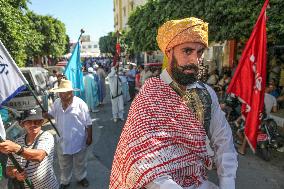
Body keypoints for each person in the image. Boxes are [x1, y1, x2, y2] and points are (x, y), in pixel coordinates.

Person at [109, 17, 237, 189]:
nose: (195, 59)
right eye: (187, 51)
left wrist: (227, 183)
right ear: (169, 52)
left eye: (199, 52)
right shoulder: (149, 95)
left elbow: (224, 141)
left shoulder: (207, 94)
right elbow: (142, 162)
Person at [46, 79, 92, 189]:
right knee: (64, 164)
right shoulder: (57, 103)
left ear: (71, 93)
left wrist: (90, 136)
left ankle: (81, 177)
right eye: (60, 92)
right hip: (62, 140)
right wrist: (46, 115)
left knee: (80, 161)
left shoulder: (80, 104)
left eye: (63, 92)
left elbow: (89, 123)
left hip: (78, 139)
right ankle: (65, 181)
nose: (60, 95)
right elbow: (51, 115)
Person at [0, 107, 59, 189]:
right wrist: (16, 173)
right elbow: (8, 169)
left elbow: (39, 156)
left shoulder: (47, 136)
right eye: (29, 122)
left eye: (36, 121)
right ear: (23, 124)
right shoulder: (18, 142)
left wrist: (17, 149)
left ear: (41, 122)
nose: (33, 124)